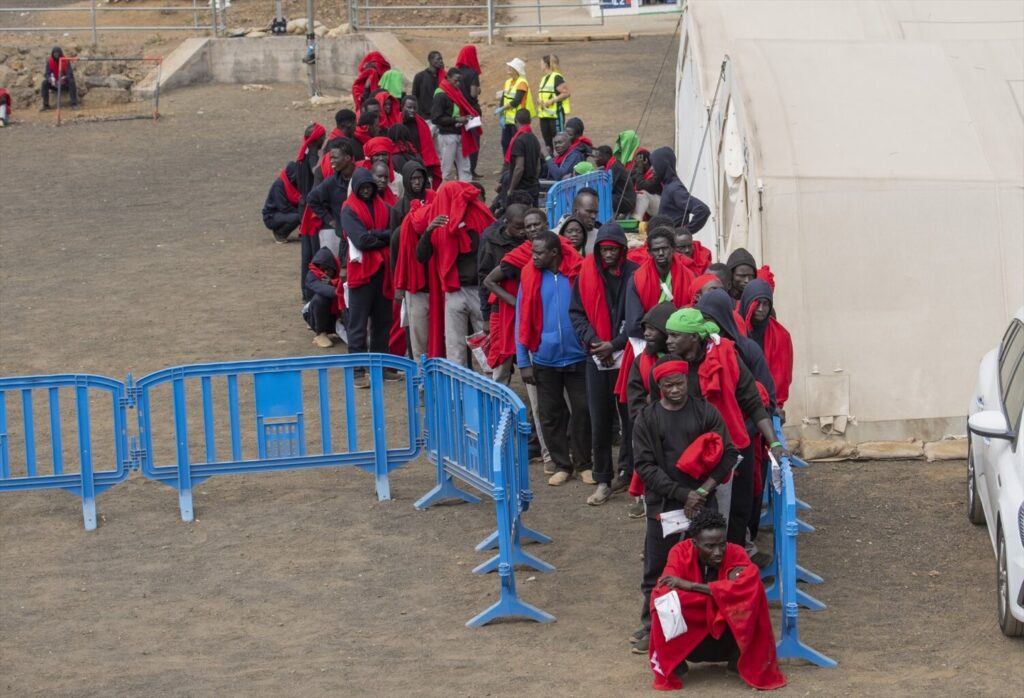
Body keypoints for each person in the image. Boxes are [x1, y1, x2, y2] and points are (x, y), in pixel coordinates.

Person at [630, 358, 740, 654]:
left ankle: (705, 627)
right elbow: (644, 465)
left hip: (704, 505)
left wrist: (702, 490)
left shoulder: (705, 411)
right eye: (668, 385)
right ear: (659, 387)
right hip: (664, 506)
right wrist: (682, 494)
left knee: (707, 565)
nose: (675, 389)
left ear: (687, 381)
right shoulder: (647, 418)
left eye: (680, 383)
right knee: (656, 567)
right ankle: (651, 625)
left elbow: (728, 453)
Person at [664, 308, 785, 549]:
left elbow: (753, 402)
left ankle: (729, 567)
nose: (668, 341)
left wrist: (774, 443)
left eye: (675, 335)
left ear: (694, 337)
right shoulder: (669, 365)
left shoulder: (727, 356)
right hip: (684, 454)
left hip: (726, 451)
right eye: (668, 335)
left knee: (727, 514)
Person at [648, 510, 786, 691]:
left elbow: (747, 587)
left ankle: (738, 662)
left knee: (755, 593)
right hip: (691, 639)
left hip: (728, 638)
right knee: (662, 601)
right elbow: (664, 588)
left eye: (722, 545)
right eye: (710, 546)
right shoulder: (680, 551)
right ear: (695, 543)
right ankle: (675, 664)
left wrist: (690, 587)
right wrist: (721, 596)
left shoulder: (736, 552)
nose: (718, 552)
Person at [569, 222, 640, 504]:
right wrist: (596, 342)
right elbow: (576, 314)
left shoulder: (634, 274)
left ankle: (628, 472)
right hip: (597, 355)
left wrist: (617, 343)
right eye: (605, 249)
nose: (609, 254)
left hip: (626, 354)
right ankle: (602, 479)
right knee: (599, 420)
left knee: (630, 420)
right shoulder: (585, 273)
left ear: (622, 250)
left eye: (614, 249)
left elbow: (637, 317)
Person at [516, 231, 591, 486]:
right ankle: (562, 464)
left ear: (554, 253)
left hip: (577, 355)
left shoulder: (576, 274)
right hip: (544, 358)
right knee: (550, 414)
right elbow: (521, 319)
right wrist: (524, 362)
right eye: (532, 252)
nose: (533, 257)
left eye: (538, 253)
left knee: (582, 410)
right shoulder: (529, 277)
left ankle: (584, 463)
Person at [415, 181, 495, 365]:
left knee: (486, 346)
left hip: (478, 290)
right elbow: (421, 256)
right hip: (454, 290)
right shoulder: (440, 223)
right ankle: (456, 391)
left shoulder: (479, 218)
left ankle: (490, 388)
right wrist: (428, 232)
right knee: (454, 347)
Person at [615, 227, 696, 405]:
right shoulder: (637, 279)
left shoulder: (689, 277)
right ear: (649, 251)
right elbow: (634, 325)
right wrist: (672, 333)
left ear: (673, 248)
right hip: (646, 348)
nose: (661, 253)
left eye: (665, 248)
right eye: (656, 249)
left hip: (680, 351)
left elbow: (693, 318)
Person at [341, 169, 394, 387]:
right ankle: (358, 372)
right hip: (361, 273)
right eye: (362, 187)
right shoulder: (349, 209)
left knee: (383, 323)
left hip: (382, 272)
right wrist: (381, 235)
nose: (366, 191)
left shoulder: (384, 207)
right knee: (358, 325)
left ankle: (380, 369)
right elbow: (361, 240)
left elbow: (393, 232)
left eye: (368, 187)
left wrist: (374, 234)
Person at [393, 162, 442, 358]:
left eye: (420, 178)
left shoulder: (435, 201)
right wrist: (399, 283)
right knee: (416, 329)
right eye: (413, 178)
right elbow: (396, 247)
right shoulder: (399, 209)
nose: (417, 182)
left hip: (434, 274)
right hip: (413, 276)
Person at [301, 138, 355, 298]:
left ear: (347, 158)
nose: (331, 161)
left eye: (335, 158)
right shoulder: (331, 182)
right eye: (330, 157)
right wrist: (330, 220)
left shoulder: (360, 178)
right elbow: (312, 199)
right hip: (340, 235)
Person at [740, 279, 793, 412]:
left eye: (766, 304)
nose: (761, 309)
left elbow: (782, 377)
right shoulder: (735, 328)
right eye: (757, 304)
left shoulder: (781, 335)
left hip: (769, 404)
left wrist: (774, 405)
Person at [650, 147, 710, 232]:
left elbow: (702, 210)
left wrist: (684, 232)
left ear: (663, 165)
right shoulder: (668, 185)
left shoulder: (674, 188)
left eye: (655, 165)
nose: (652, 169)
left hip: (673, 242)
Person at [431, 71, 477, 182]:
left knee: (465, 168)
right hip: (447, 135)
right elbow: (436, 118)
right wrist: (456, 119)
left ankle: (466, 193)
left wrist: (466, 118)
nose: (458, 83)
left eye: (459, 81)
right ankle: (442, 195)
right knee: (445, 170)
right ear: (448, 78)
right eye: (455, 80)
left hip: (460, 133)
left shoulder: (455, 92)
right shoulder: (441, 95)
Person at [452, 45, 483, 178]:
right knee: (474, 141)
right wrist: (479, 90)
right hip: (472, 111)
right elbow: (473, 92)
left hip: (459, 112)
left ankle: (460, 169)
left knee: (460, 141)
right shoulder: (472, 73)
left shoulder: (455, 72)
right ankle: (471, 169)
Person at [304, 247, 345, 348]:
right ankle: (320, 334)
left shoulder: (342, 273)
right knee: (321, 298)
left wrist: (333, 283)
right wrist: (335, 288)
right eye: (323, 270)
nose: (325, 273)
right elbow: (324, 290)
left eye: (328, 269)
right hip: (316, 316)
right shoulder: (312, 275)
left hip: (339, 316)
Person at [501, 108, 542, 206]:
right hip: (533, 187)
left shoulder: (519, 141)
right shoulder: (534, 139)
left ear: (515, 121)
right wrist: (533, 181)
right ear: (530, 121)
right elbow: (538, 166)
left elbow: (519, 168)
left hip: (521, 190)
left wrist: (511, 189)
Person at [399, 96, 441, 186]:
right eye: (409, 107)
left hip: (419, 165)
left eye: (414, 108)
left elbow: (428, 151)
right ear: (402, 107)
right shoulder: (396, 123)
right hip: (401, 164)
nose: (412, 110)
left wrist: (429, 174)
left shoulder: (422, 125)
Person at [500, 58, 535, 157]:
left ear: (517, 70)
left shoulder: (522, 82)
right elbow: (503, 97)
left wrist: (503, 108)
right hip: (508, 118)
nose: (508, 68)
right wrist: (501, 112)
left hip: (518, 119)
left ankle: (514, 163)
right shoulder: (508, 82)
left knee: (516, 142)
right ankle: (507, 163)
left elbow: (516, 101)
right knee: (505, 142)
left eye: (511, 67)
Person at [536, 54, 571, 152]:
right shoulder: (544, 79)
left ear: (547, 64)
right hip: (544, 116)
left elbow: (566, 93)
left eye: (542, 63)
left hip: (555, 115)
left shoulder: (557, 77)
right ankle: (550, 162)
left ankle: (562, 162)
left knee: (559, 141)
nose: (540, 65)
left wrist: (552, 101)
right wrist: (539, 100)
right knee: (547, 142)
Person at [262, 162, 303, 243]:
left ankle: (303, 233)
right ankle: (279, 234)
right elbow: (284, 207)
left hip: (282, 212)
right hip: (271, 216)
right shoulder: (279, 185)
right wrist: (302, 213)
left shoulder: (292, 184)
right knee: (298, 217)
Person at [594, 145, 636, 218]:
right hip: (620, 197)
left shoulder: (615, 167)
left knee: (601, 197)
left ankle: (604, 220)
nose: (596, 159)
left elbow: (608, 187)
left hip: (626, 201)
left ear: (607, 155)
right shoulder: (612, 165)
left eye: (599, 156)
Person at [40, 46, 78, 111]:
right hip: (54, 83)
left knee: (71, 81)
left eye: (57, 53)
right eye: (55, 53)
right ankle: (45, 106)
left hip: (64, 83)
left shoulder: (65, 60)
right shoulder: (50, 61)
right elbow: (46, 73)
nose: (56, 54)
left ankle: (74, 104)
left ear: (60, 53)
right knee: (44, 83)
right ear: (52, 53)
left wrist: (64, 78)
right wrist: (50, 79)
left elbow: (70, 73)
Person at [411, 51, 445, 120]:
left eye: (441, 59)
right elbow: (414, 96)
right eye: (438, 59)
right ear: (431, 60)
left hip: (439, 116)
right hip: (425, 117)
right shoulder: (420, 76)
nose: (441, 61)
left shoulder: (443, 78)